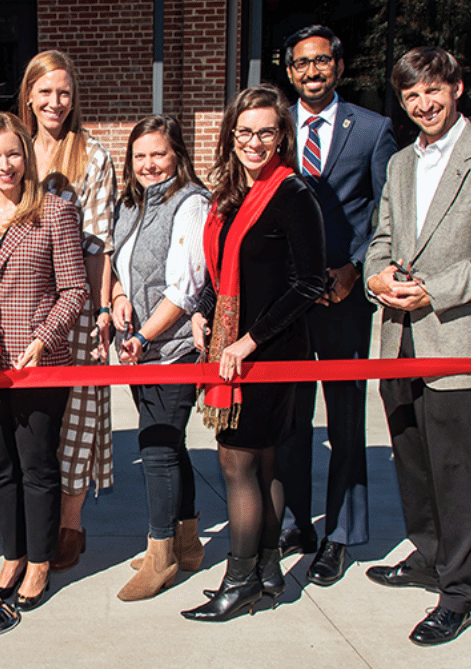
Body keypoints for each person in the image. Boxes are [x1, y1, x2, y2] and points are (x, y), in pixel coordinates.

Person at [364, 47, 471, 647]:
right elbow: (382, 237)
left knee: (457, 469)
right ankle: (430, 557)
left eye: (433, 90)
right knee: (411, 458)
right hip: (397, 338)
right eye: (412, 95)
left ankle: (460, 590)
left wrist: (432, 292)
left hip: (457, 336)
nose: (423, 103)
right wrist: (376, 278)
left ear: (457, 87)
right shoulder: (403, 164)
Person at [180, 84, 325, 623]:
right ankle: (267, 572)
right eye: (245, 132)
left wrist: (247, 339)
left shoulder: (293, 193)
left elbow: (309, 282)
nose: (255, 141)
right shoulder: (229, 196)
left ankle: (239, 580)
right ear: (231, 136)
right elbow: (222, 270)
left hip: (269, 349)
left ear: (282, 135)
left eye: (266, 131)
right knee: (262, 463)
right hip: (231, 345)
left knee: (239, 462)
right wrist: (204, 311)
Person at [276, 25, 395, 586]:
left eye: (322, 60)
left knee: (346, 419)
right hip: (286, 301)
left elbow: (386, 215)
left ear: (339, 66)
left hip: (345, 296)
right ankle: (296, 522)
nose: (312, 71)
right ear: (289, 71)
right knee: (291, 419)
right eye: (302, 64)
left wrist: (356, 269)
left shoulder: (373, 130)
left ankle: (341, 534)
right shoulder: (274, 129)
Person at [0, 112, 86, 610]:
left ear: (26, 158)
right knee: (0, 467)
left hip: (39, 363)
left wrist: (43, 336)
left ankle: (38, 563)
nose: (3, 165)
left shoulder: (54, 211)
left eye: (12, 154)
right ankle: (11, 556)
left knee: (36, 468)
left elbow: (75, 290)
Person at [18, 50, 116, 572]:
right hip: (20, 308)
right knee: (31, 423)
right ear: (29, 95)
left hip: (74, 306)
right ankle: (32, 522)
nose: (55, 102)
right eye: (46, 91)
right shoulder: (13, 150)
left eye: (64, 93)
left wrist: (102, 308)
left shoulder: (92, 156)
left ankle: (69, 528)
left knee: (77, 417)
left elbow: (99, 243)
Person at [109, 115, 211, 601]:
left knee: (156, 447)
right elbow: (116, 263)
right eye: (140, 155)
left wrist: (144, 338)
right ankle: (189, 542)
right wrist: (117, 299)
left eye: (159, 154)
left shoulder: (190, 204)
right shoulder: (131, 202)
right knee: (171, 444)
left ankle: (161, 554)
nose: (149, 164)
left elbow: (185, 290)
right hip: (140, 347)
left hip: (171, 351)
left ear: (178, 156)